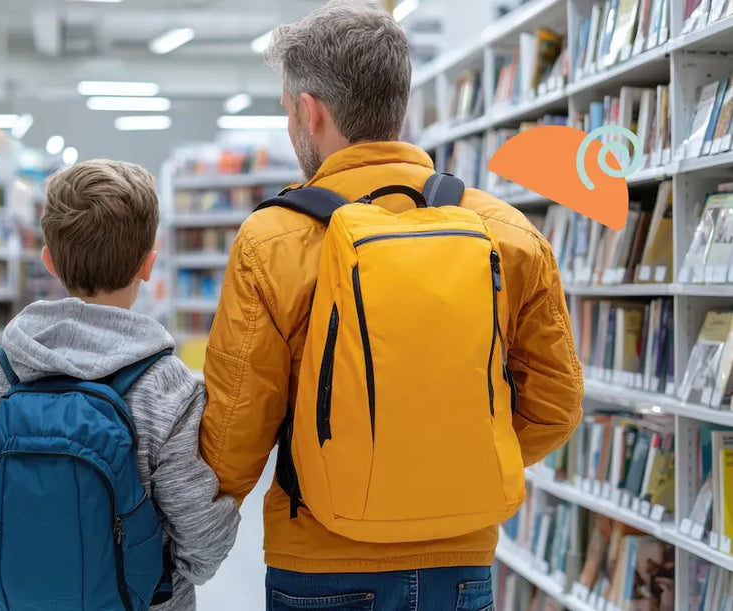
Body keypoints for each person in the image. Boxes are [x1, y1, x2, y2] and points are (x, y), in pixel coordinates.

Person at [199, 1, 584, 609]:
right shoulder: (506, 232)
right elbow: (555, 407)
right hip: (460, 556)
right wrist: (448, 459)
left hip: (322, 557)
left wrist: (188, 529)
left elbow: (234, 434)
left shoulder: (272, 241)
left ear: (309, 111)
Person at [0, 159, 240, 610]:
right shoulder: (165, 384)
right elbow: (202, 548)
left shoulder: (2, 373)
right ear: (148, 265)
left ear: (50, 261)